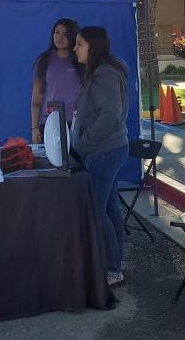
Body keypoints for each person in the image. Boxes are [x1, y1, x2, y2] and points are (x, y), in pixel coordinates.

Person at [72, 26, 129, 288]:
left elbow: (110, 114)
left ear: (92, 46)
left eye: (79, 44)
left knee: (97, 209)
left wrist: (84, 143)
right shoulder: (100, 71)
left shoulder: (104, 73)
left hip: (104, 150)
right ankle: (117, 262)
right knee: (108, 207)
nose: (75, 49)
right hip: (106, 149)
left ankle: (112, 269)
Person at [31, 18, 82, 143]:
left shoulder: (81, 60)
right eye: (56, 32)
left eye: (65, 34)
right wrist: (35, 127)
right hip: (50, 121)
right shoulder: (44, 60)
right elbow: (37, 95)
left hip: (76, 122)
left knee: (75, 162)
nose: (59, 38)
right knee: (51, 162)